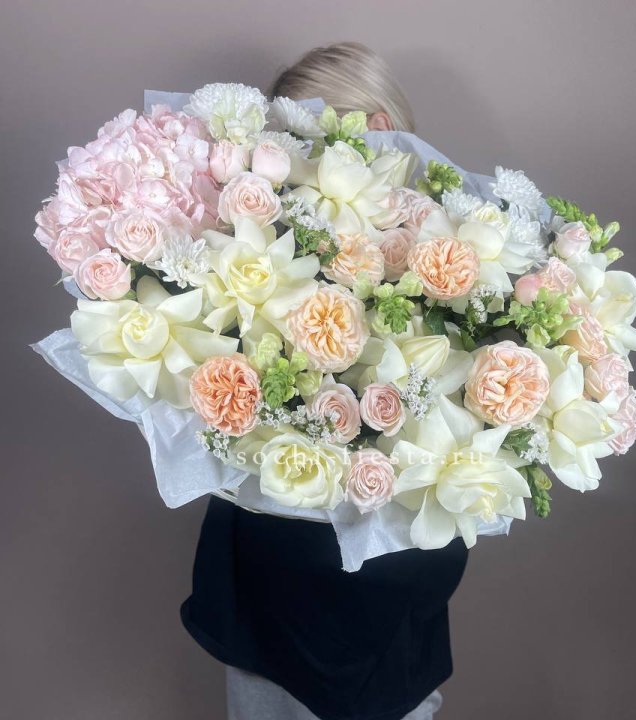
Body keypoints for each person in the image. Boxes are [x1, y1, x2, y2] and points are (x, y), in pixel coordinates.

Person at [180, 42, 469, 720]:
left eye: (303, 139)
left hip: (367, 586)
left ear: (374, 129)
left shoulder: (450, 256)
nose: (290, 163)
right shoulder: (271, 240)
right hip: (289, 588)